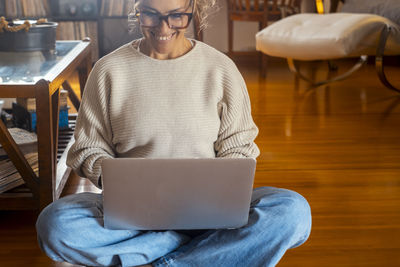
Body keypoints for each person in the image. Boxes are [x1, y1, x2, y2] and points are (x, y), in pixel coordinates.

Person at [36, 0, 312, 266]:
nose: (163, 28)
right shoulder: (108, 70)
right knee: (55, 225)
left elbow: (238, 145)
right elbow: (87, 148)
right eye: (150, 15)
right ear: (137, 10)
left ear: (195, 9)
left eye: (177, 16)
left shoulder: (221, 69)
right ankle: (204, 252)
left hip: (211, 212)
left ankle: (162, 258)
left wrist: (223, 187)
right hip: (133, 215)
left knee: (294, 212)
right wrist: (119, 182)